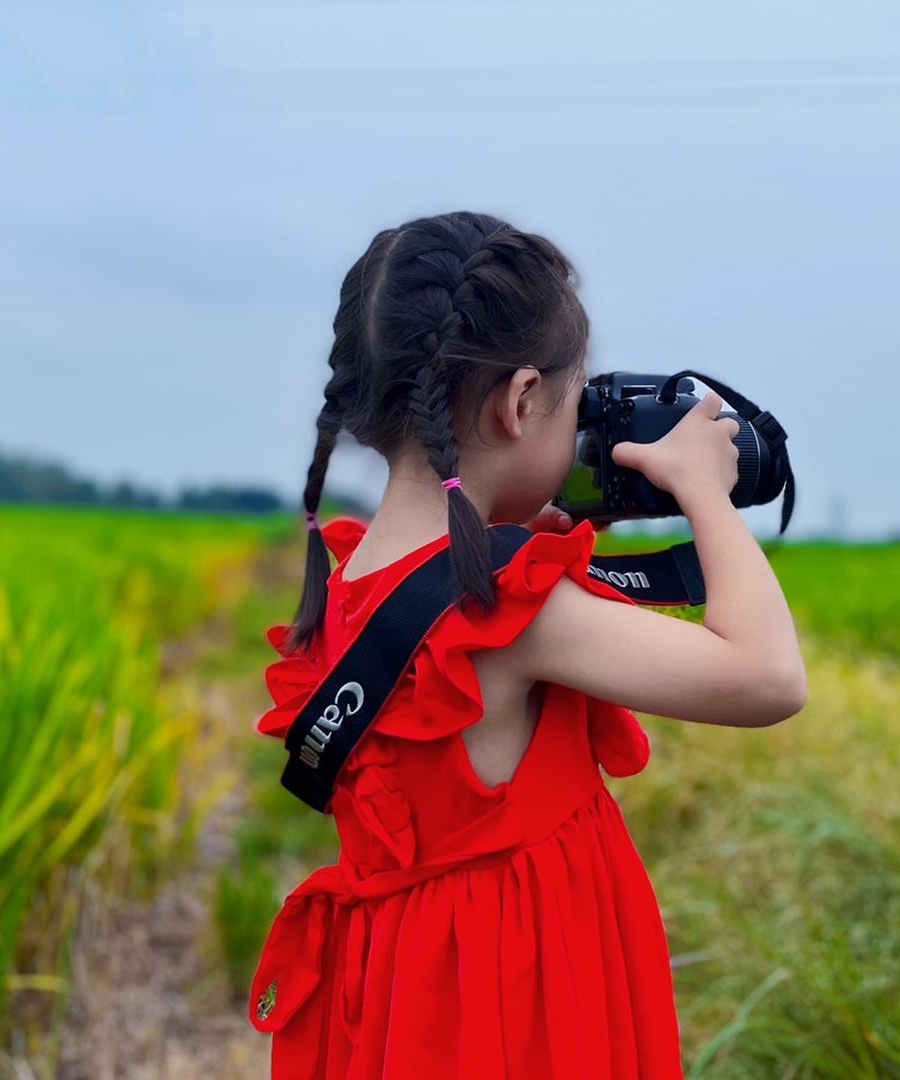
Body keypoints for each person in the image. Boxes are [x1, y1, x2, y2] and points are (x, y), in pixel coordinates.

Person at [247, 210, 808, 1078]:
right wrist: (702, 489)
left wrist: (529, 538)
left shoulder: (355, 584)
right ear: (519, 403)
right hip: (522, 1001)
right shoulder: (514, 606)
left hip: (404, 996)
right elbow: (769, 676)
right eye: (574, 401)